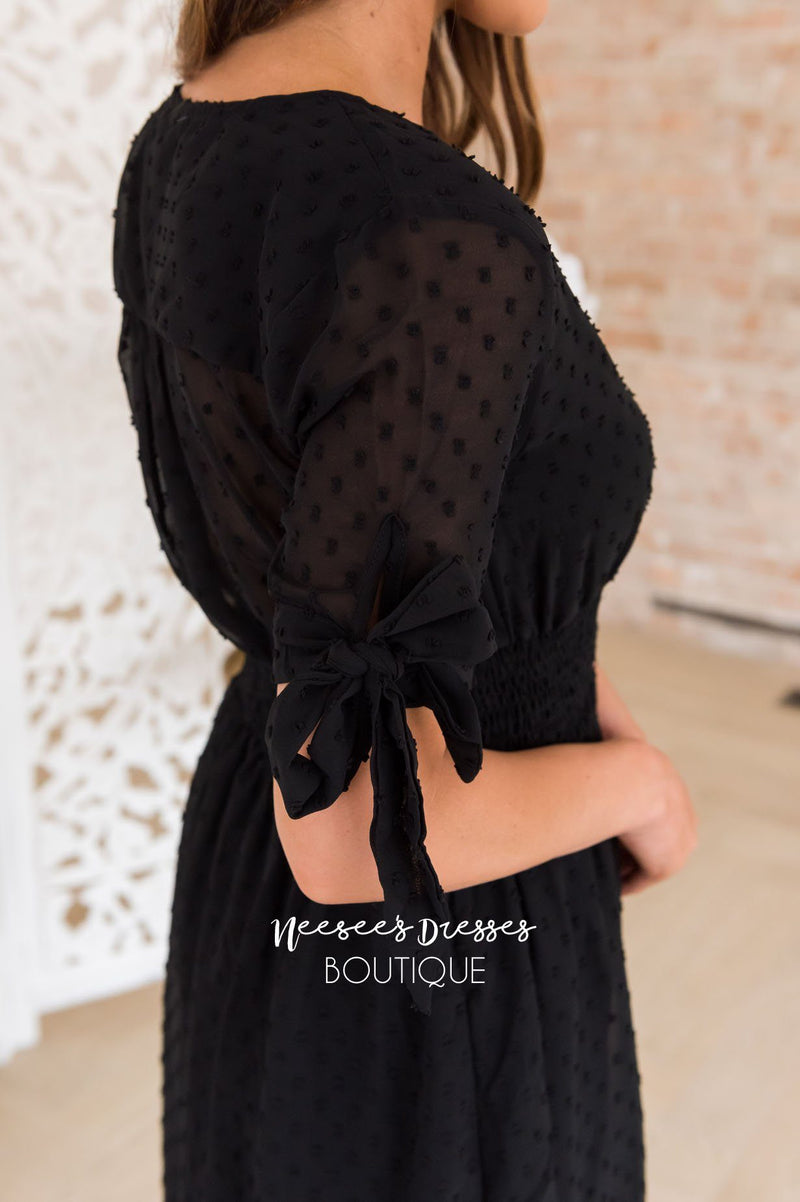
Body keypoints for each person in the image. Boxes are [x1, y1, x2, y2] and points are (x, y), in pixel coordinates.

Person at [111, 0, 698, 1198]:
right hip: (430, 937)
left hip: (263, 869)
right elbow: (350, 826)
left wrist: (578, 691)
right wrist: (641, 784)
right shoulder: (417, 226)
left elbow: (404, 566)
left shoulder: (186, 138)